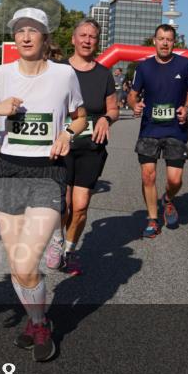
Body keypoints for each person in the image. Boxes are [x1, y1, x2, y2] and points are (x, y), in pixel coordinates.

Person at [0, 7, 86, 362]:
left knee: (25, 261)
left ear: (45, 38)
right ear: (14, 37)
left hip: (48, 172)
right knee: (19, 265)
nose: (26, 36)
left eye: (33, 30)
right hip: (9, 170)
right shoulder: (1, 75)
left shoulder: (64, 75)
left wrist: (66, 134)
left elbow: (81, 117)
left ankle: (40, 325)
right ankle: (38, 320)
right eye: (20, 30)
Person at [45, 18, 118, 276]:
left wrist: (106, 119)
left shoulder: (104, 74)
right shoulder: (57, 70)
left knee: (81, 205)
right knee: (62, 204)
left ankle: (70, 249)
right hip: (62, 147)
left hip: (91, 148)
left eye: (92, 36)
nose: (87, 40)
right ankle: (56, 240)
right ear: (73, 39)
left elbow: (113, 108)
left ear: (98, 42)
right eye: (83, 35)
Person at [128, 24, 188, 238]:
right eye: (161, 39)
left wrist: (186, 108)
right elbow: (132, 95)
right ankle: (152, 219)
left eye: (169, 39)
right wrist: (134, 105)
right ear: (154, 41)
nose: (165, 43)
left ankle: (167, 199)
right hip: (149, 128)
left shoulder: (185, 64)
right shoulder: (144, 67)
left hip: (176, 129)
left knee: (175, 180)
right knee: (148, 176)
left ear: (174, 42)